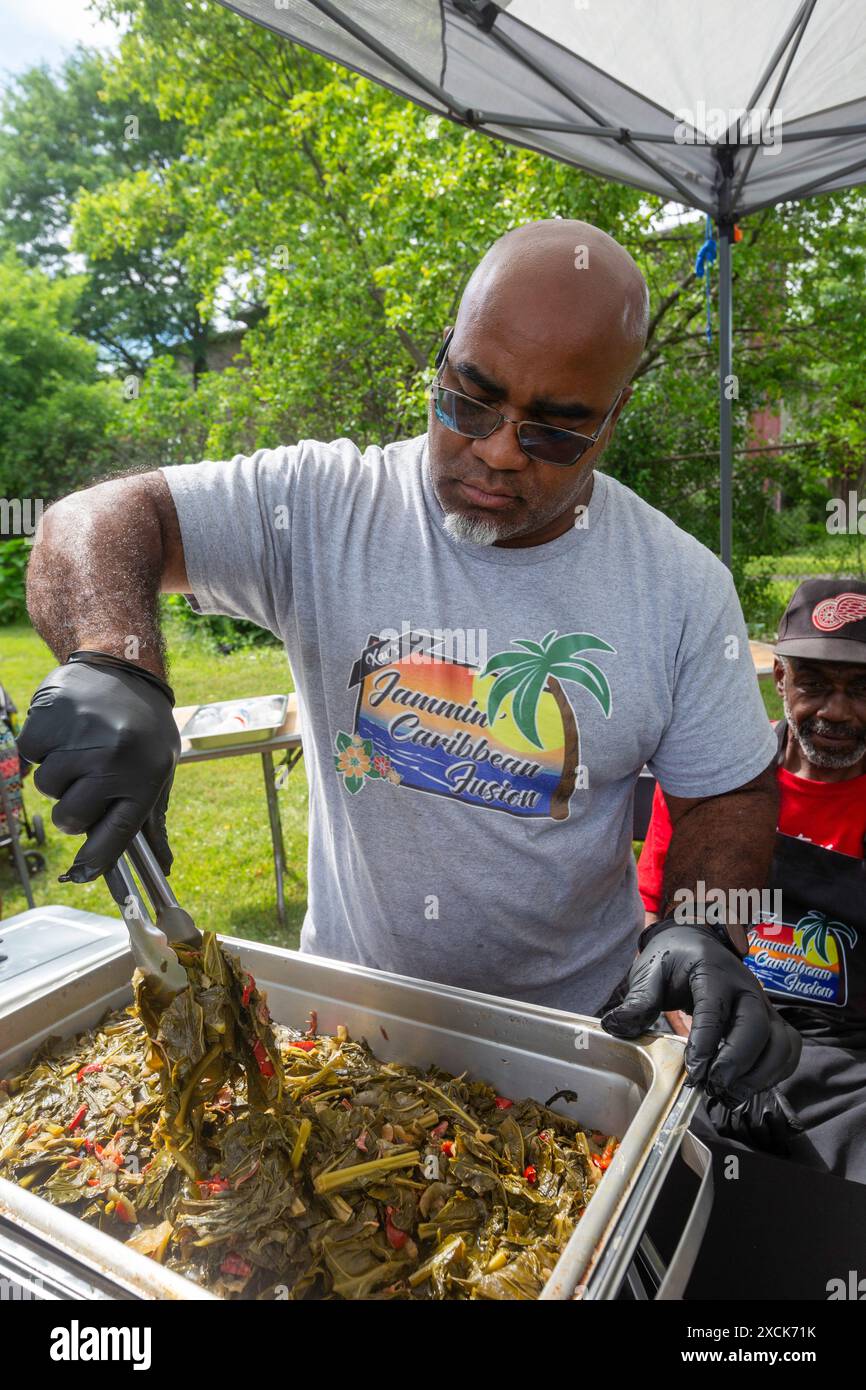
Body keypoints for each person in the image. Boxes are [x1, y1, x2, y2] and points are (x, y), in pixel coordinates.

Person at [18, 218, 800, 1103]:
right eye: (471, 400)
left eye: (555, 430)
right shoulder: (325, 507)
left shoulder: (680, 586)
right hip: (348, 1036)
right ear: (442, 359)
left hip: (580, 1046)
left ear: (614, 420)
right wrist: (118, 662)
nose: (499, 451)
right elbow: (94, 520)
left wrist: (703, 926)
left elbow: (726, 789)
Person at [638, 578, 866, 1179]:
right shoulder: (717, 784)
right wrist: (702, 1035)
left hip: (849, 1068)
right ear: (780, 680)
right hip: (711, 1034)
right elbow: (655, 920)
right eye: (814, 684)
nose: (837, 711)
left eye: (862, 689)